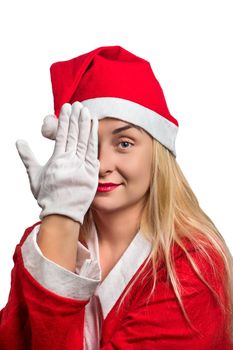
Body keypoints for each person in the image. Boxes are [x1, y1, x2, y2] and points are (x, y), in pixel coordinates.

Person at [0, 45, 232, 349]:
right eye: (87, 144)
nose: (102, 165)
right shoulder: (40, 244)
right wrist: (58, 222)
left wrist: (60, 218)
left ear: (157, 154)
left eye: (123, 143)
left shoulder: (193, 268)